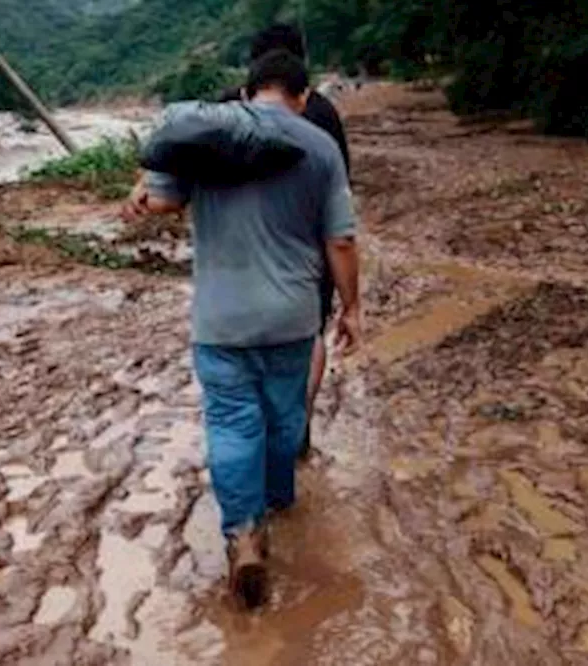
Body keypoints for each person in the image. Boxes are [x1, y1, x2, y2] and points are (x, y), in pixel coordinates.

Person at [124, 50, 361, 609]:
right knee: (284, 417)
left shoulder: (208, 140)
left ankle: (244, 534)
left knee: (232, 425)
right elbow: (342, 241)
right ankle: (279, 501)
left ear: (248, 91)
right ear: (303, 97)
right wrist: (351, 307)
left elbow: (160, 200)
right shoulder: (320, 146)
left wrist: (139, 197)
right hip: (292, 316)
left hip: (221, 319)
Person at [216, 23, 351, 461]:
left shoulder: (224, 108)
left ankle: (252, 434)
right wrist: (353, 303)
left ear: (252, 68)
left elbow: (181, 167)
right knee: (309, 334)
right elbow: (340, 195)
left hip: (238, 253)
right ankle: (297, 425)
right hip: (308, 250)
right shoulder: (322, 111)